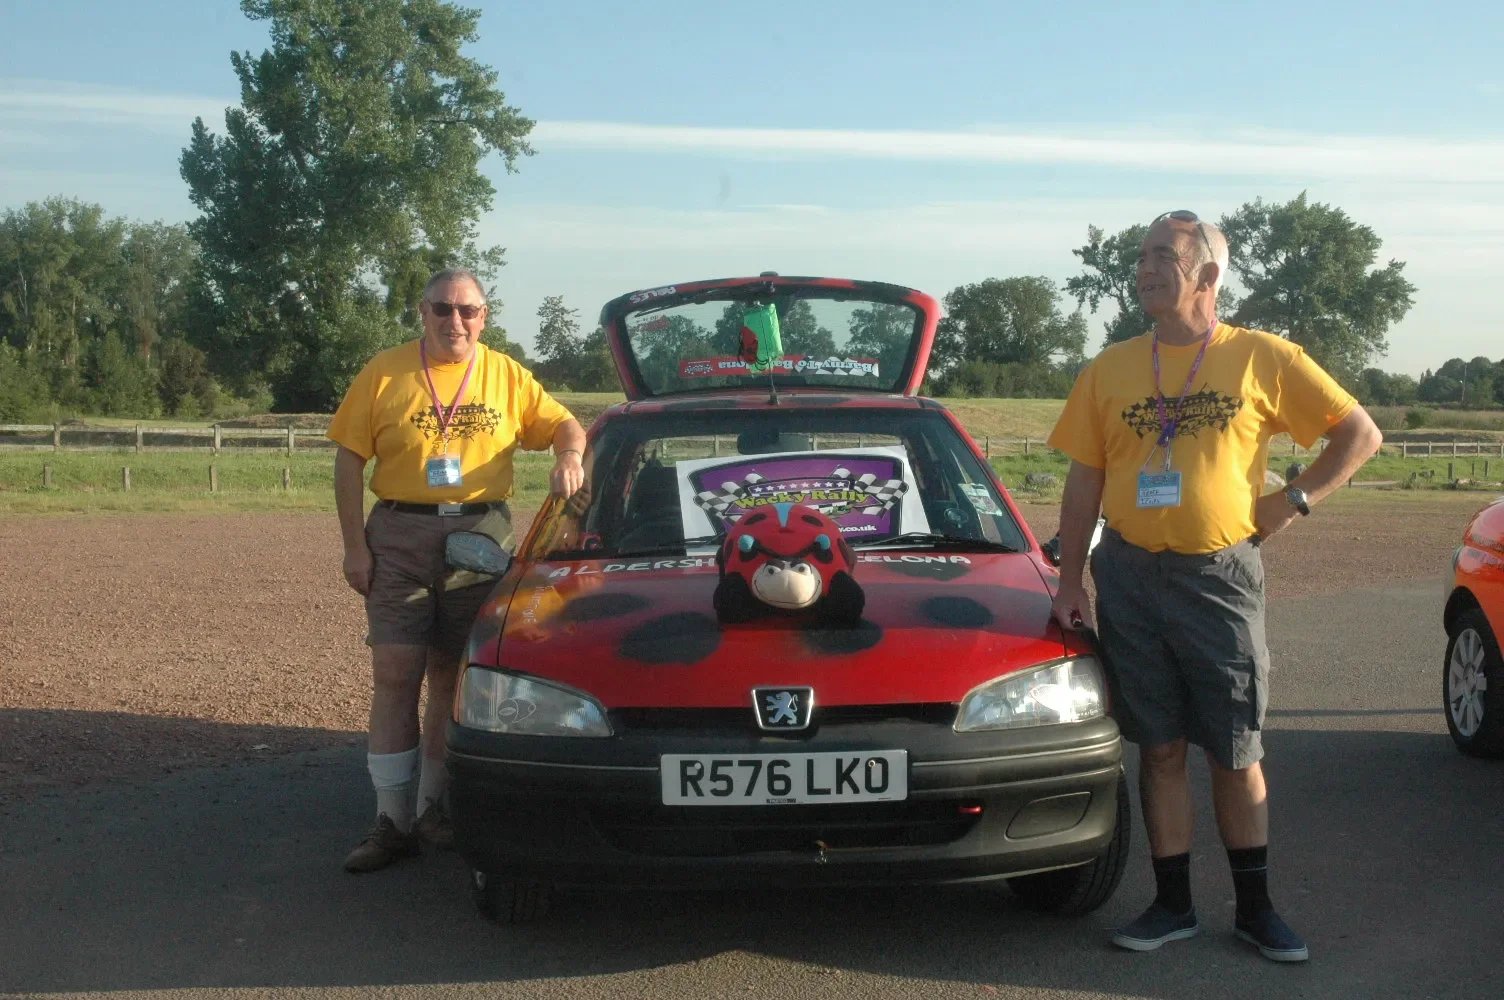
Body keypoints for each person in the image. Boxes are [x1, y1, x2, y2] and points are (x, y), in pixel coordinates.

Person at [1046, 211, 1382, 962]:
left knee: (1235, 749)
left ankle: (1257, 909)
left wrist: (1290, 502)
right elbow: (1084, 480)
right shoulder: (1109, 369)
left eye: (1163, 255)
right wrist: (1070, 577)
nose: (1144, 269)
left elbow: (1358, 433)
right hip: (1128, 575)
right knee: (1159, 748)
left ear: (1209, 273)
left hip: (1218, 576)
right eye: (1140, 257)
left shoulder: (1262, 356)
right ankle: (1171, 907)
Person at [328, 267, 586, 873]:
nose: (455, 321)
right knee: (395, 673)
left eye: (468, 311)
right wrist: (353, 548)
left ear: (484, 317)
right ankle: (388, 821)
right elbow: (347, 462)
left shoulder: (505, 374)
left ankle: (432, 811)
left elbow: (565, 425)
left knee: (451, 675)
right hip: (399, 531)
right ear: (422, 312)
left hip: (479, 535)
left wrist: (570, 457)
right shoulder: (384, 371)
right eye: (443, 309)